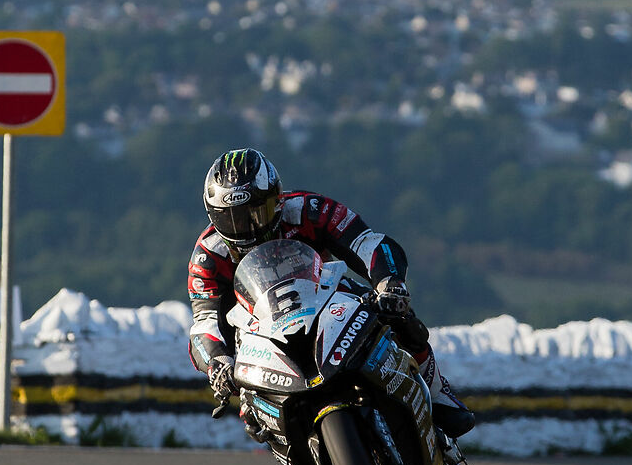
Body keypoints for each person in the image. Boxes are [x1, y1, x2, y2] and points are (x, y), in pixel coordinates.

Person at [187, 147, 475, 439]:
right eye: (231, 219)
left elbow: (368, 243)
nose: (245, 228)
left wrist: (390, 283)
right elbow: (204, 322)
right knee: (250, 411)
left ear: (276, 200)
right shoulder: (209, 255)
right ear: (214, 217)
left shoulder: (307, 209)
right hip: (257, 329)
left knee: (398, 316)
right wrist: (218, 361)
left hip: (325, 296)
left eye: (254, 213)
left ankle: (438, 395)